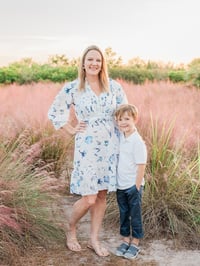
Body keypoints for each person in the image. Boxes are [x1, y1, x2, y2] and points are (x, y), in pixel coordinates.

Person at [48, 45, 127, 257]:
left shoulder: (114, 87)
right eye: (90, 59)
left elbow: (125, 113)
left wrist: (128, 140)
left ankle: (94, 238)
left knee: (102, 195)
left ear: (103, 64)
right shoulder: (73, 88)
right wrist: (71, 129)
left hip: (111, 145)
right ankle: (71, 227)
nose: (94, 63)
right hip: (88, 146)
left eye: (98, 60)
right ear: (83, 63)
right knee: (89, 197)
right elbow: (55, 111)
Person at [114, 104, 147, 260]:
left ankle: (135, 243)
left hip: (133, 186)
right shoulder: (121, 137)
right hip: (121, 185)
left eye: (127, 119)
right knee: (124, 214)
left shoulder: (137, 141)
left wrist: (136, 186)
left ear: (135, 119)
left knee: (135, 215)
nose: (123, 122)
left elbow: (141, 165)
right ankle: (125, 240)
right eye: (120, 119)